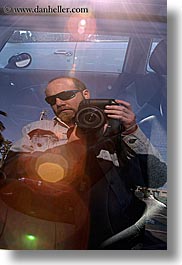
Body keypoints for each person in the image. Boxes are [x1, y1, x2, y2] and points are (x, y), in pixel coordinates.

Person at [1, 76, 167, 250]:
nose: (58, 102)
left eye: (66, 95)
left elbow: (157, 178)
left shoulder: (116, 130)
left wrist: (132, 130)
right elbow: (11, 172)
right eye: (51, 100)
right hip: (58, 231)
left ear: (86, 94)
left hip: (116, 235)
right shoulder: (35, 130)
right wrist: (74, 144)